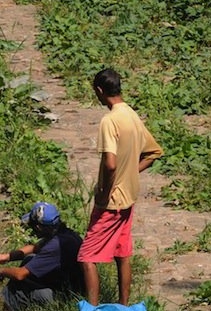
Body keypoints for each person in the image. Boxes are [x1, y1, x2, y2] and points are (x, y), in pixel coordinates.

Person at [78, 68, 163, 306]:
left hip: (112, 201)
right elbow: (154, 152)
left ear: (100, 91)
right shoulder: (131, 114)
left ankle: (92, 308)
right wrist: (132, 172)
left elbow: (111, 164)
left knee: (87, 256)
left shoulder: (110, 120)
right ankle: (124, 307)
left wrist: (104, 191)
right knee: (122, 254)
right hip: (129, 199)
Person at [0, 202, 83, 311]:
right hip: (72, 286)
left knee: (17, 286)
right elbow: (35, 248)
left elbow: (20, 274)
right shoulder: (65, 234)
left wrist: (2, 271)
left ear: (38, 227)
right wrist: (6, 257)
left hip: (64, 296)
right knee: (29, 259)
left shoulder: (53, 247)